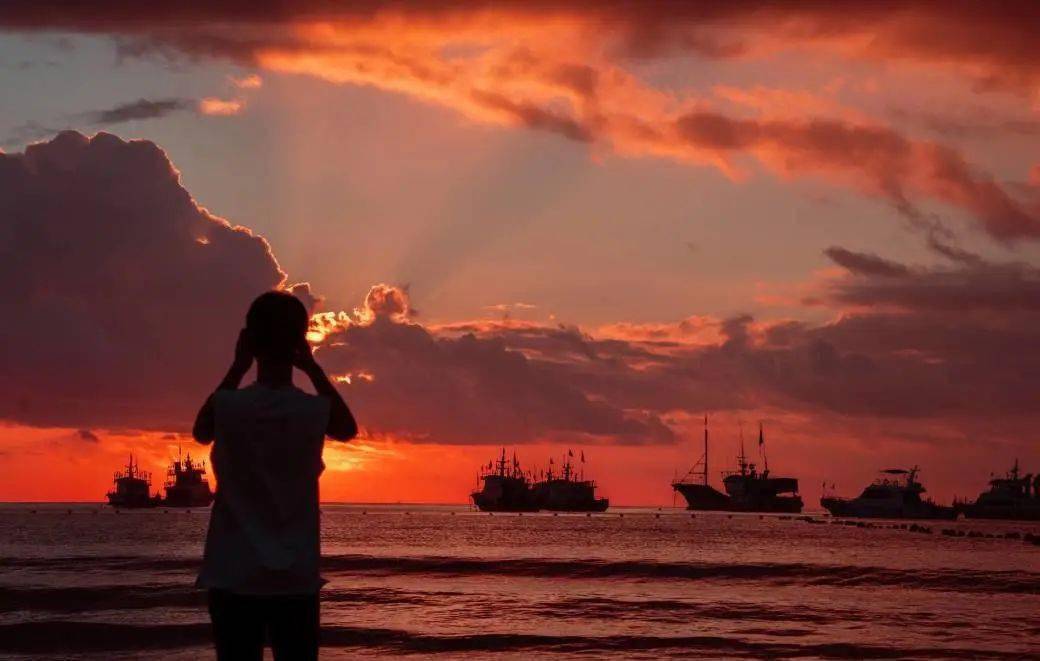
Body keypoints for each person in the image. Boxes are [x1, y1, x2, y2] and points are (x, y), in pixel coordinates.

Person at [193, 291, 357, 660]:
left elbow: (201, 430)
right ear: (301, 340)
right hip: (294, 575)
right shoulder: (312, 411)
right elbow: (347, 428)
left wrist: (238, 365)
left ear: (249, 340)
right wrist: (312, 366)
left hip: (232, 571)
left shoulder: (229, 406)